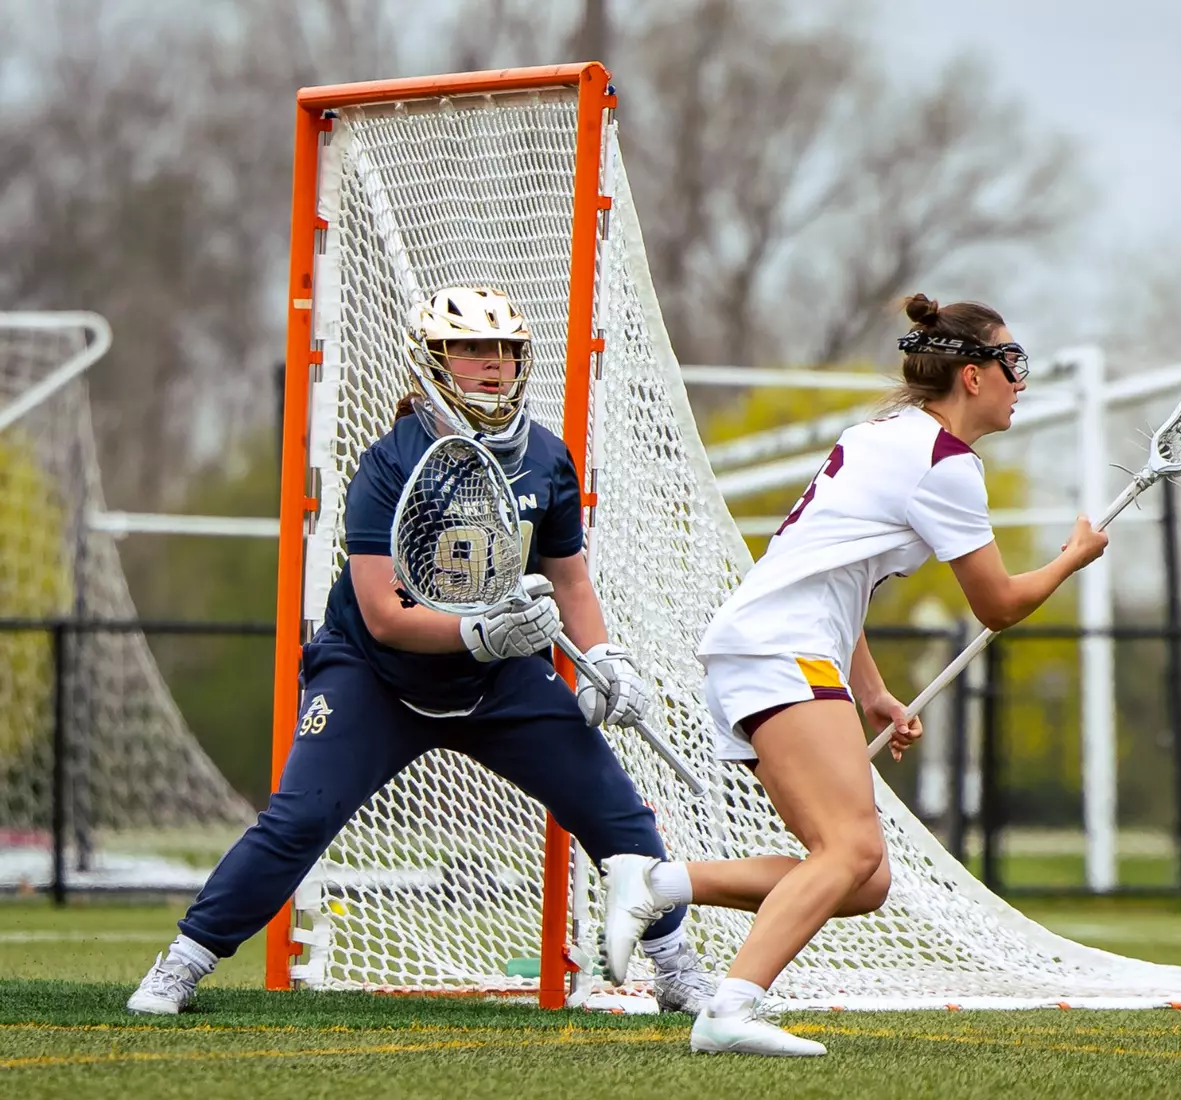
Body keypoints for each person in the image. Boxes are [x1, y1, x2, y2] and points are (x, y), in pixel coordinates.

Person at [128, 286, 716, 1015]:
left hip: (497, 680)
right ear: (433, 358)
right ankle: (183, 961)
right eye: (473, 348)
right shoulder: (390, 462)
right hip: (376, 676)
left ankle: (674, 966)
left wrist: (607, 660)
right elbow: (382, 615)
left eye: (504, 349)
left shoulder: (545, 457)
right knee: (298, 820)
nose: (493, 365)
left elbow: (570, 579)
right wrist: (480, 633)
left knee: (618, 814)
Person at [599, 294, 1111, 1056]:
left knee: (861, 879)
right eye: (1013, 363)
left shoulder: (882, 435)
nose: (1020, 380)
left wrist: (869, 691)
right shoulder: (945, 464)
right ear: (971, 376)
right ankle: (729, 1009)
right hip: (782, 650)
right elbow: (999, 605)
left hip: (772, 647)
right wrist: (1072, 558)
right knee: (849, 852)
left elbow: (838, 575)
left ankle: (658, 884)